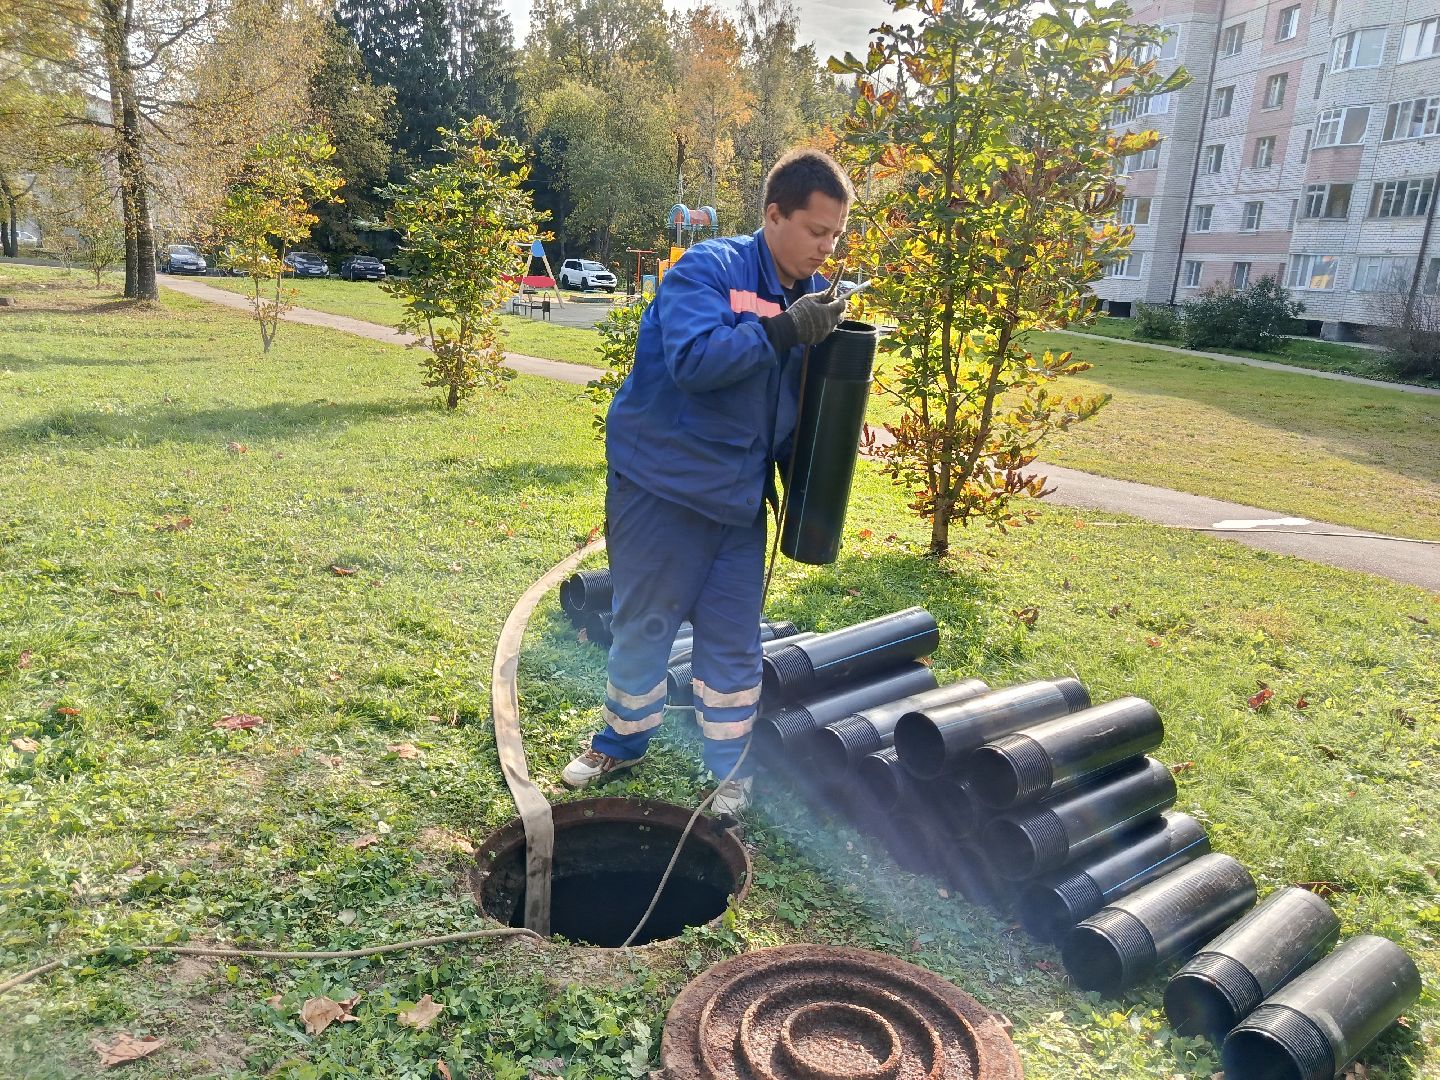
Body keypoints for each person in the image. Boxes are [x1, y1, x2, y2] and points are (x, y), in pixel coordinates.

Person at [561, 149, 855, 816]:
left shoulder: (803, 300)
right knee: (643, 623)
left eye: (835, 234)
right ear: (773, 214)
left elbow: (782, 404)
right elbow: (694, 363)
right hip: (661, 488)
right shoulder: (707, 271)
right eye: (816, 231)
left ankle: (729, 769)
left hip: (735, 499)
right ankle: (622, 740)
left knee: (732, 641)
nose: (825, 247)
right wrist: (784, 331)